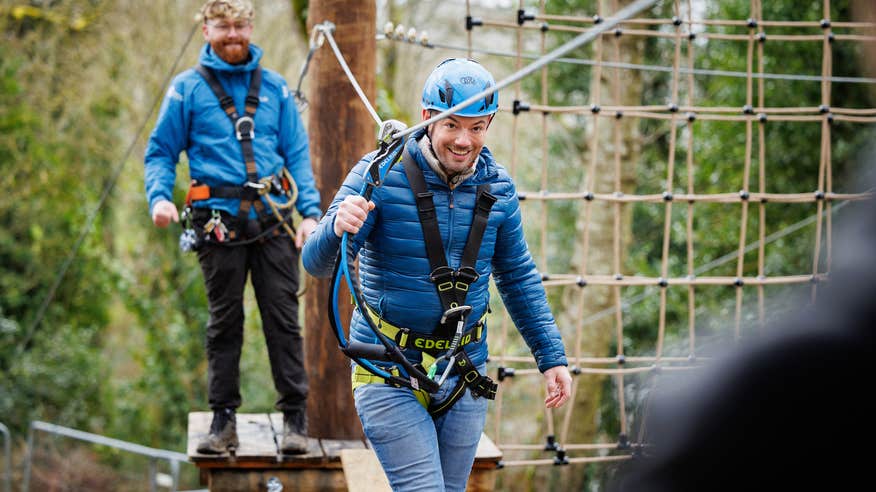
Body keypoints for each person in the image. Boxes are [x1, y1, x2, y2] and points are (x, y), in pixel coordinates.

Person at [303, 58, 573, 490]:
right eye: (453, 126)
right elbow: (316, 265)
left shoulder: (498, 189)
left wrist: (551, 357)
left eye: (477, 127)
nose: (464, 141)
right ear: (428, 119)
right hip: (387, 366)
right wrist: (336, 226)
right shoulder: (379, 174)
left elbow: (519, 277)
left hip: (462, 368)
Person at [144, 0, 321, 455]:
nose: (232, 34)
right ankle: (223, 423)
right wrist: (160, 197)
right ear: (206, 29)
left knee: (283, 320)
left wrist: (312, 215)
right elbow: (161, 151)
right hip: (217, 222)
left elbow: (297, 154)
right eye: (222, 26)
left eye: (240, 25)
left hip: (273, 219)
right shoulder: (186, 91)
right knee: (225, 323)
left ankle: (296, 422)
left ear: (251, 27)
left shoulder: (277, 89)